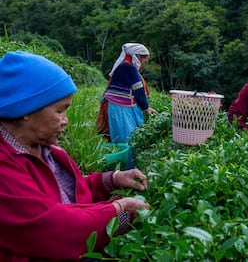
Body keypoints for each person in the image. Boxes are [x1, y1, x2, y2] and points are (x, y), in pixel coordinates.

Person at [0, 51, 151, 261]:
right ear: (27, 108)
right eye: (60, 111)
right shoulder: (5, 167)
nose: (66, 121)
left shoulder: (49, 150)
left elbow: (74, 192)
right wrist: (119, 209)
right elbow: (53, 229)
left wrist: (112, 179)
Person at [97, 43, 157, 143]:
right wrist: (146, 108)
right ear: (138, 57)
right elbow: (139, 90)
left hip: (114, 105)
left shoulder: (123, 65)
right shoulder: (129, 68)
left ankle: (121, 157)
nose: (143, 65)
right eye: (144, 61)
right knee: (128, 138)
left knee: (120, 136)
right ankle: (127, 157)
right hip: (120, 107)